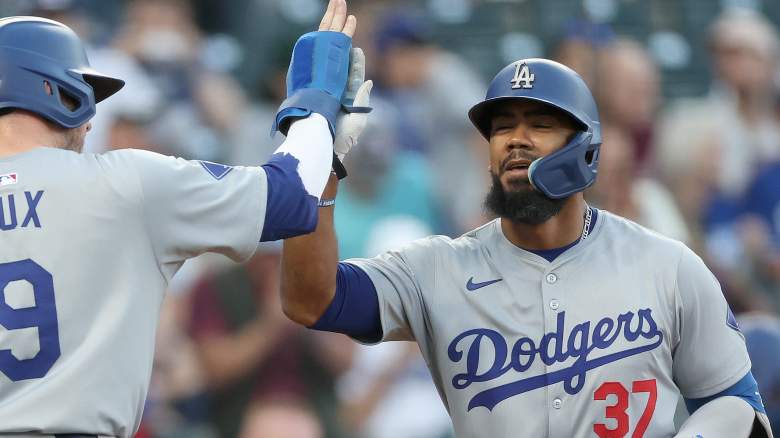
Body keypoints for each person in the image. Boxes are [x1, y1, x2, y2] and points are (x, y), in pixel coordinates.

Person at [281, 58, 774, 437]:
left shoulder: (669, 265)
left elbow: (737, 406)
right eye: (501, 126)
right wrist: (319, 165)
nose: (515, 140)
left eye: (539, 123)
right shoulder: (436, 269)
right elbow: (311, 299)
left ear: (585, 147)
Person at [0, 0, 370, 436]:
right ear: (52, 91)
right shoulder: (123, 184)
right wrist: (315, 109)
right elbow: (291, 197)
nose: (89, 123)